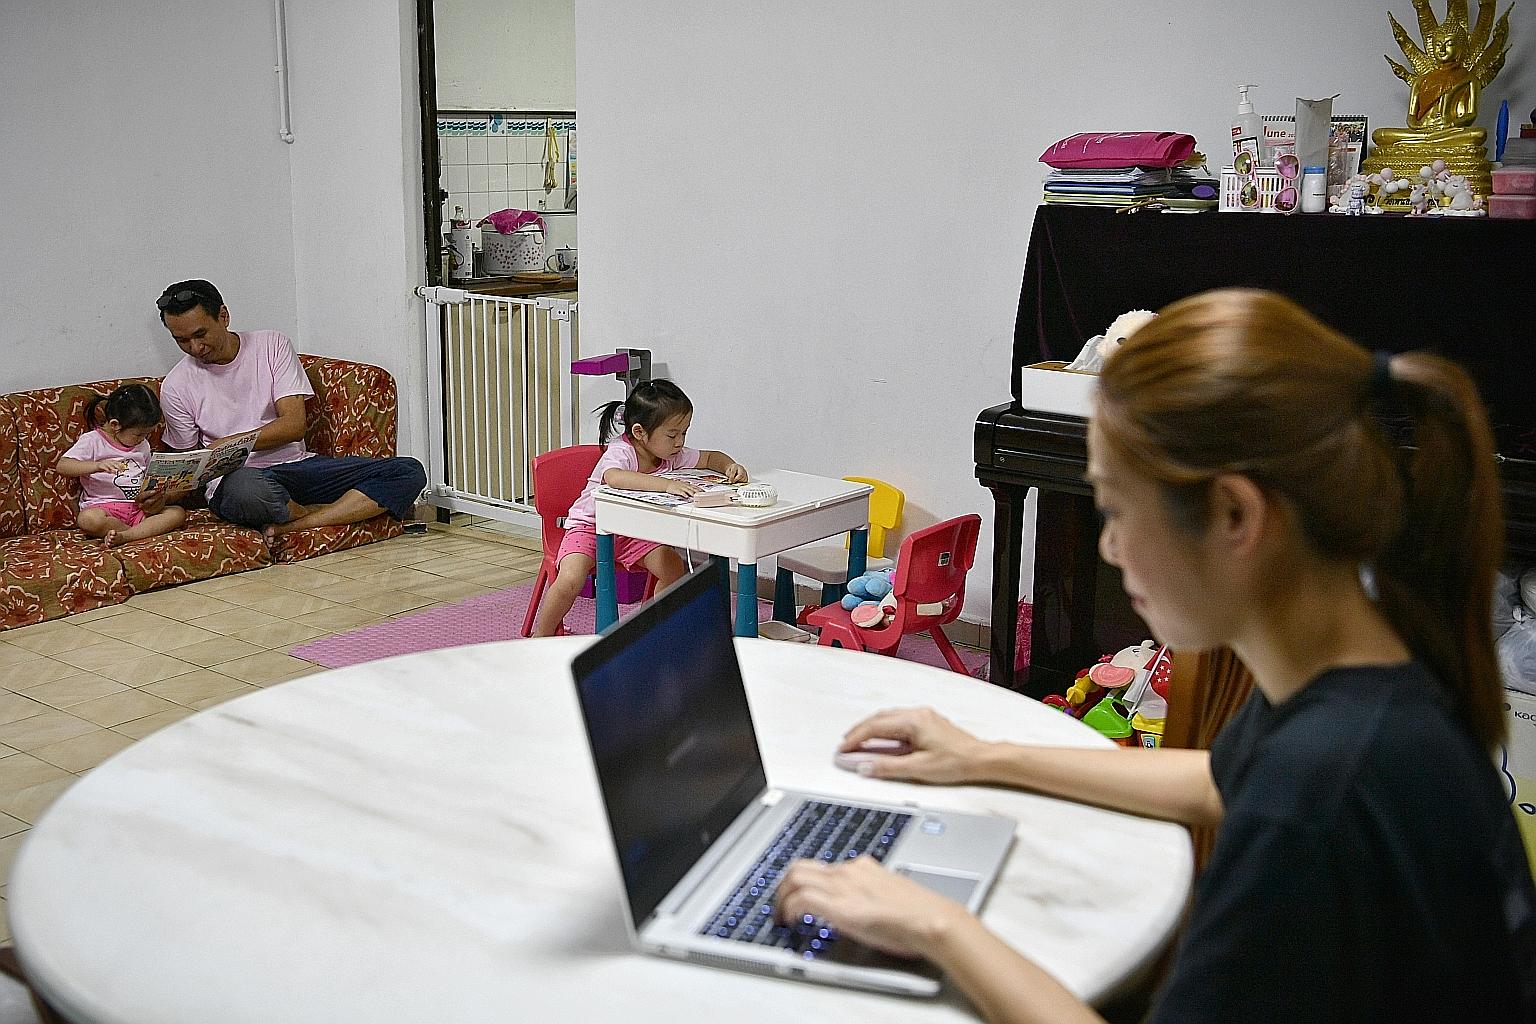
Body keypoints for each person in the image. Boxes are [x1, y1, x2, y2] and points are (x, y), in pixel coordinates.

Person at [775, 289, 1536, 1023]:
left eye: (1115, 509)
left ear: (1234, 513)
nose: (1109, 547)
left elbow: (1265, 796)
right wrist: (981, 756)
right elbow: (1216, 781)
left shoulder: (1312, 797)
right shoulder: (1363, 682)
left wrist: (938, 926)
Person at [155, 280, 426, 548]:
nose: (195, 347)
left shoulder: (271, 345)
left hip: (298, 467)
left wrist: (229, 444)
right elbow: (189, 467)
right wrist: (161, 497)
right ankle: (331, 512)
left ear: (223, 316)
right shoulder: (176, 386)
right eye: (182, 340)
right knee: (247, 489)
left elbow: (293, 425)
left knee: (407, 471)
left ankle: (298, 522)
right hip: (240, 482)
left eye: (201, 334)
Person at [531, 379, 747, 637]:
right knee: (570, 579)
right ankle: (542, 636)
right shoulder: (621, 451)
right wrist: (666, 485)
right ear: (639, 432)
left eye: (684, 433)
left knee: (673, 568)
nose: (679, 442)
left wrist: (730, 466)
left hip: (633, 533)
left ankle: (647, 630)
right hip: (590, 527)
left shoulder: (670, 454)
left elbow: (711, 457)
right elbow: (614, 477)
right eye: (672, 435)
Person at [56, 383, 187, 547]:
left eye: (147, 434)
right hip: (104, 508)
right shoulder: (92, 441)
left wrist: (154, 491)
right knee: (87, 520)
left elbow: (147, 475)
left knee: (177, 513)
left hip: (138, 507)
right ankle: (137, 533)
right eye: (138, 434)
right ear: (115, 425)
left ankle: (126, 536)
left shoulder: (142, 445)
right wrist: (97, 466)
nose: (143, 439)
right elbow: (63, 465)